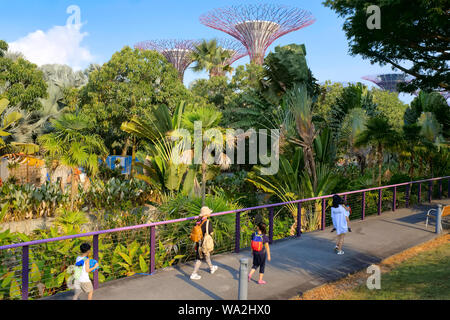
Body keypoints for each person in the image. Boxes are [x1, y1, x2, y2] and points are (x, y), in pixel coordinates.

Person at [190, 206, 218, 280]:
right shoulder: (208, 222)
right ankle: (194, 273)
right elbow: (211, 233)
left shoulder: (198, 221)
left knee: (206, 254)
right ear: (207, 214)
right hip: (204, 243)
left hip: (198, 242)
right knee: (199, 259)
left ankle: (212, 268)